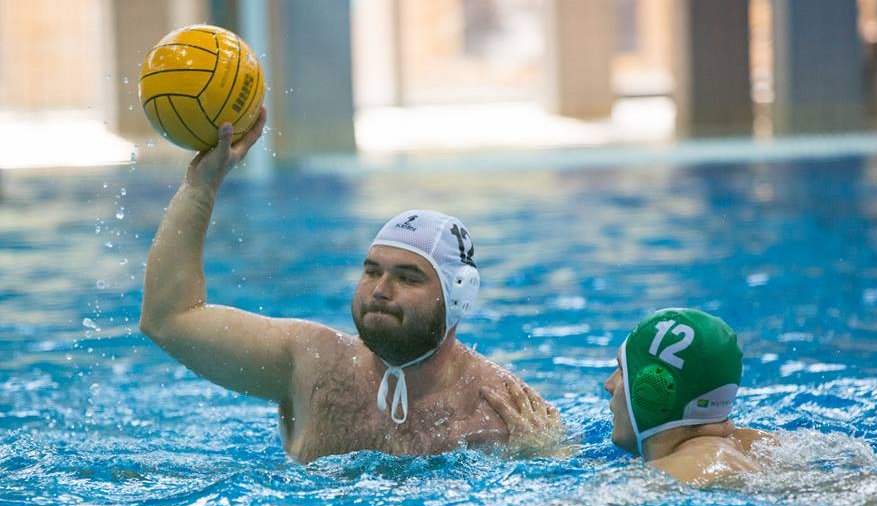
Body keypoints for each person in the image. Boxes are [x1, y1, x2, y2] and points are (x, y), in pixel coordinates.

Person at [139, 109, 561, 464]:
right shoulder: (309, 363)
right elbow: (169, 318)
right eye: (372, 271)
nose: (380, 289)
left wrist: (540, 456)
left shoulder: (503, 412)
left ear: (457, 296)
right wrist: (201, 188)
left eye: (408, 277)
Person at [486, 308, 771, 483]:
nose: (608, 384)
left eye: (623, 371)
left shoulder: (686, 471)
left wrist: (542, 458)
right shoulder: (756, 446)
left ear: (657, 390)